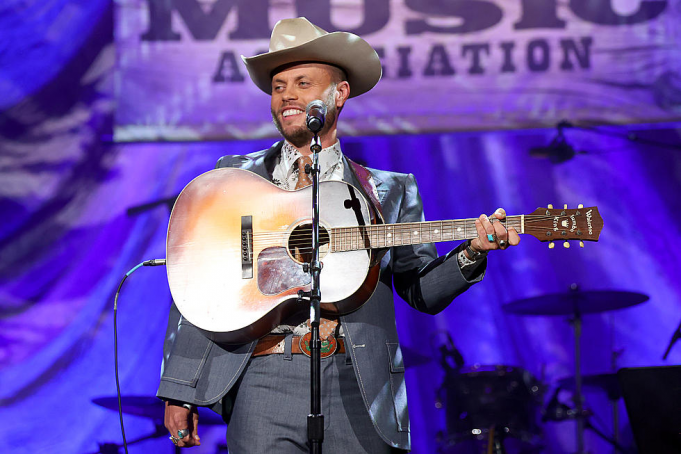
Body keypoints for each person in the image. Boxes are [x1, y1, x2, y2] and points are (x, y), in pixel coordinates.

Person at [158, 17, 520, 453]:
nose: (288, 96)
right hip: (261, 379)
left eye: (303, 83)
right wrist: (180, 387)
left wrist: (472, 253)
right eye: (278, 86)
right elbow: (197, 280)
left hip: (359, 383)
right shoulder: (233, 179)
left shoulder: (387, 191)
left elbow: (421, 290)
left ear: (339, 93)